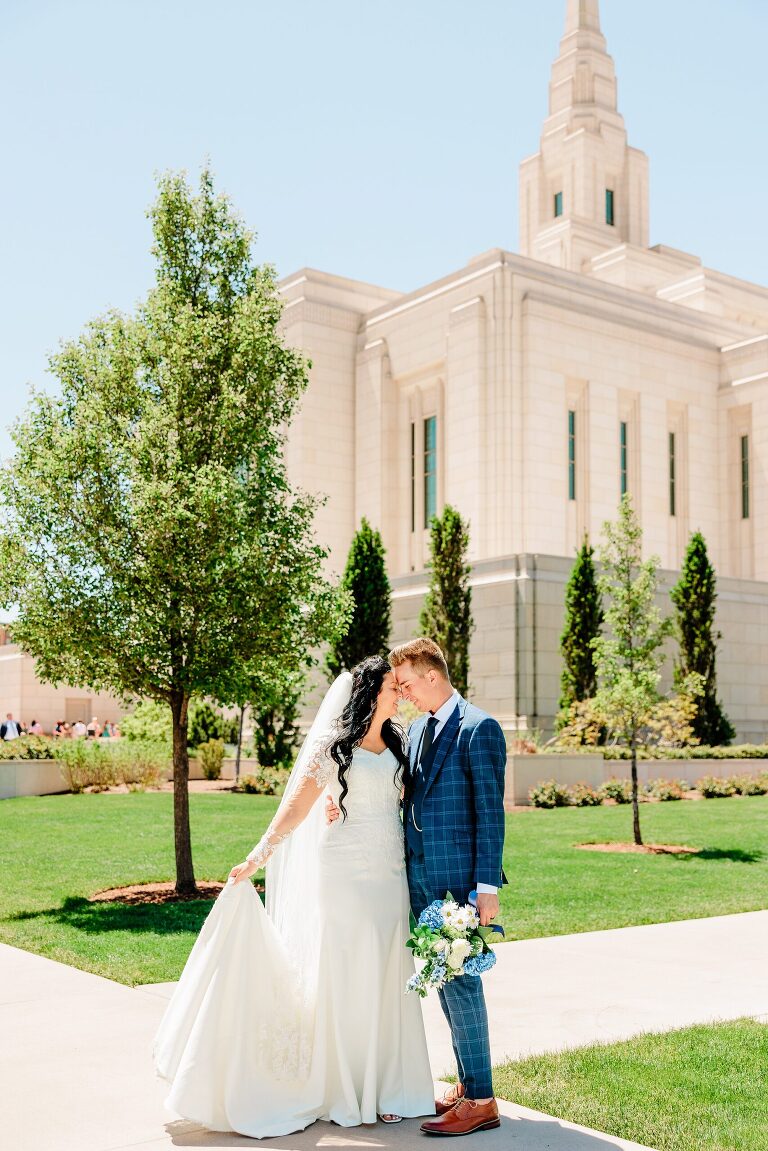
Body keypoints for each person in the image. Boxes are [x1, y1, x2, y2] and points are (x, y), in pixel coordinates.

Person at [154, 657, 434, 1138]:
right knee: (346, 969)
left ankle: (388, 1085)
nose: (401, 693)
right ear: (371, 693)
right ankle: (345, 1086)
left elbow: (406, 803)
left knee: (388, 968)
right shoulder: (334, 748)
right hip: (344, 872)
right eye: (393, 686)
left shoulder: (400, 742)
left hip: (390, 873)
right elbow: (295, 809)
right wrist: (256, 857)